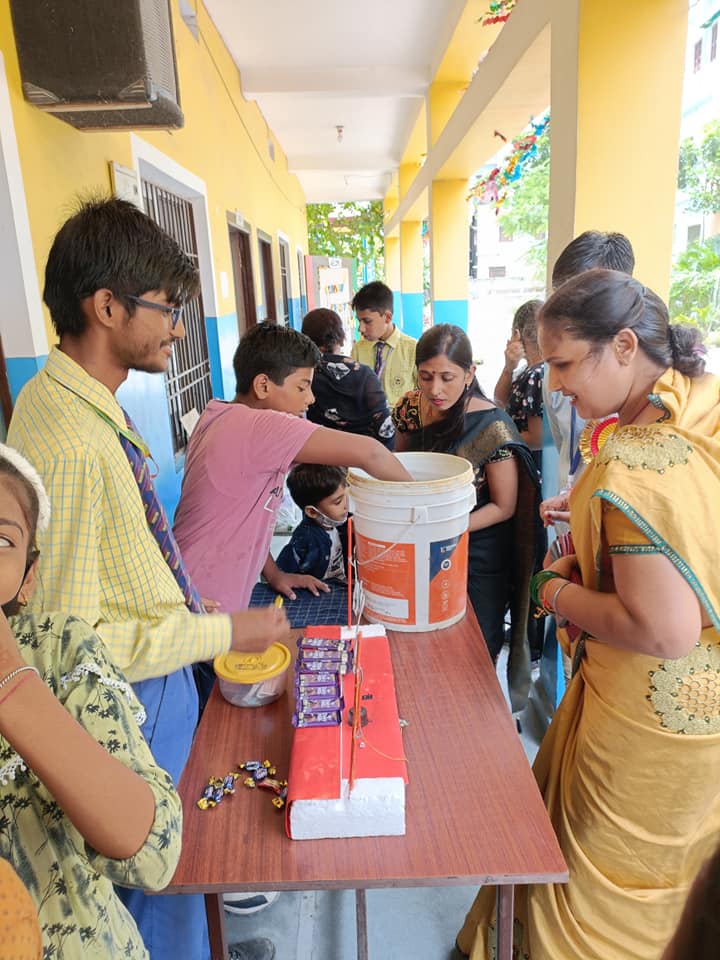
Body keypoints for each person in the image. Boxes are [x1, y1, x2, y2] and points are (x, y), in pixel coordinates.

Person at [7, 197, 285, 960]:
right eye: (165, 309)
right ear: (105, 306)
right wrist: (229, 628)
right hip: (128, 707)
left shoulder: (72, 401)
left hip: (156, 687)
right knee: (151, 890)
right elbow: (76, 648)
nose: (175, 327)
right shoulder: (68, 441)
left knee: (174, 876)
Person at [456, 269, 720, 960]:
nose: (559, 386)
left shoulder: (638, 464)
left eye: (567, 364)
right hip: (702, 711)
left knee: (598, 886)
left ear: (625, 345)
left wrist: (550, 591)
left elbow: (665, 628)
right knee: (667, 880)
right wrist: (585, 505)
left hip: (644, 714)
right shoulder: (698, 406)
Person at [0, 444, 182, 959]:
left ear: (28, 578)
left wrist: (12, 686)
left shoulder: (58, 649)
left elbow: (152, 854)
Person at [174, 321, 411, 617]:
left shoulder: (218, 415)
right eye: (303, 386)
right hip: (202, 606)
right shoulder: (260, 427)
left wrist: (274, 575)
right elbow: (372, 453)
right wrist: (421, 499)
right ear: (263, 386)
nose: (310, 398)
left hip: (190, 586)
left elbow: (246, 517)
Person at [392, 324, 539, 708]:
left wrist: (442, 528)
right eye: (426, 377)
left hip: (476, 553)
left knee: (475, 642)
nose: (435, 389)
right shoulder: (411, 408)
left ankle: (471, 715)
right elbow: (399, 468)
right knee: (418, 634)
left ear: (470, 373)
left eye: (447, 377)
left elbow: (503, 507)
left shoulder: (492, 426)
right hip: (417, 543)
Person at [540, 230, 635, 528]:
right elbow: (562, 442)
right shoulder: (554, 375)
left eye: (581, 306)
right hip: (572, 530)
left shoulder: (664, 388)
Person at [301, 308, 395, 448]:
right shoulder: (364, 375)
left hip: (319, 457)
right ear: (341, 339)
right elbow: (385, 428)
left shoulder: (301, 376)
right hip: (361, 460)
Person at [350, 281, 417, 409]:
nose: (361, 329)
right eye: (359, 321)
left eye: (367, 321)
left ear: (387, 317)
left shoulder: (412, 350)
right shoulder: (358, 349)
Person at [276, 464, 349, 581]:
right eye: (338, 502)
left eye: (346, 496)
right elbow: (279, 574)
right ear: (312, 512)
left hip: (339, 584)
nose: (346, 505)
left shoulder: (341, 523)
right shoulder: (304, 539)